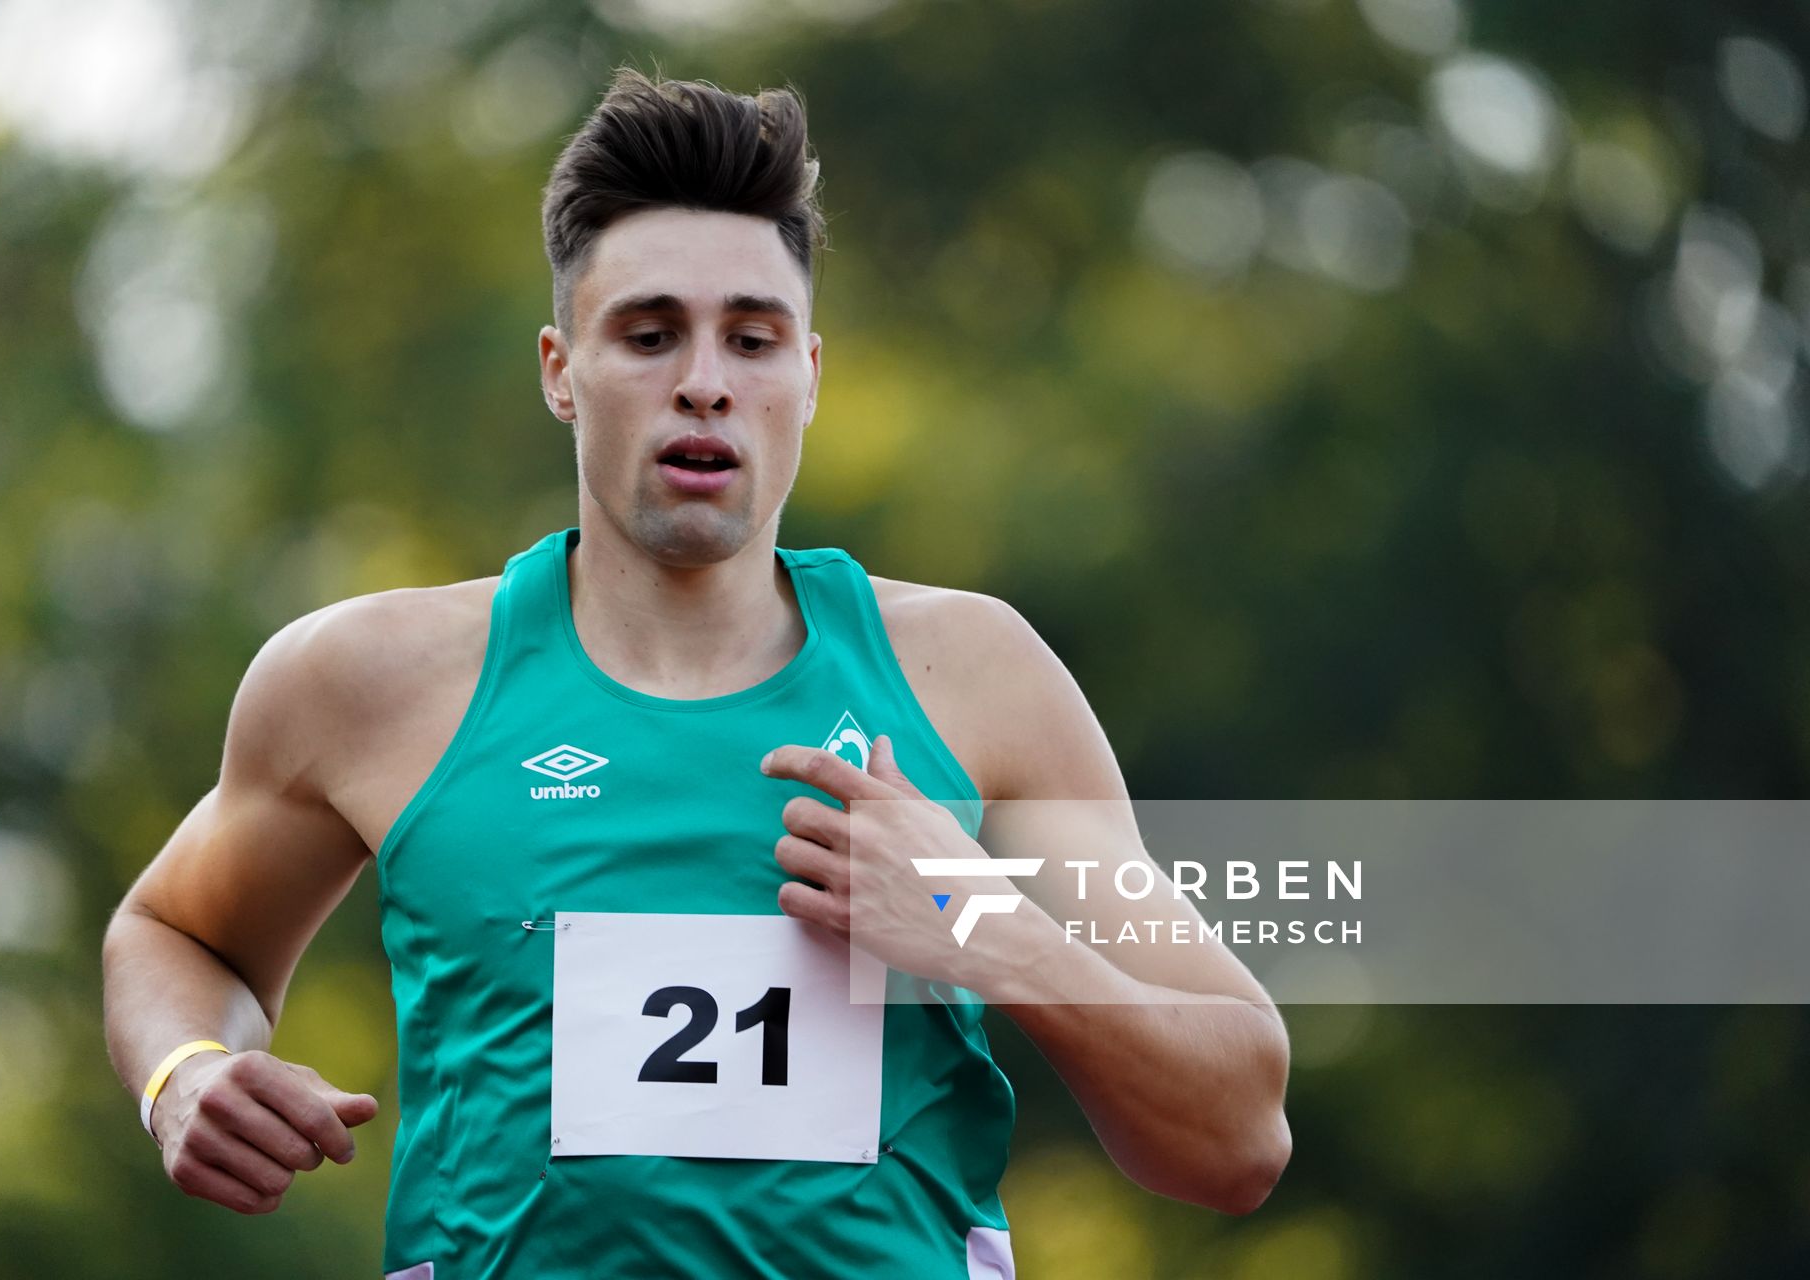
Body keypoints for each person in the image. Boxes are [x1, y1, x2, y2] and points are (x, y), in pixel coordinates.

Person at [102, 67, 1292, 1280]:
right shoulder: (368, 682)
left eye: (754, 337)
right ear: (563, 371)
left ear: (810, 376)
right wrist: (181, 1072)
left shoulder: (972, 676)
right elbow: (174, 933)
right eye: (652, 332)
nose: (707, 379)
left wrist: (975, 917)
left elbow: (1237, 1131)